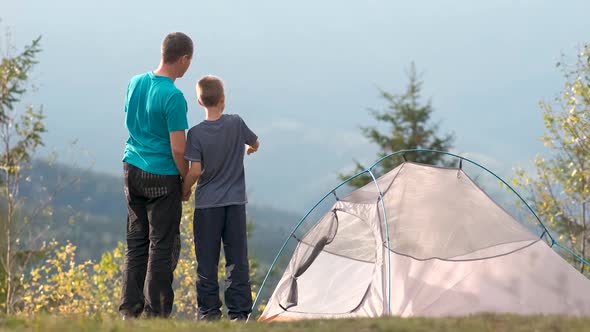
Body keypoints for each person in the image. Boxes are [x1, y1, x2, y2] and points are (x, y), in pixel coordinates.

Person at [119, 32, 193, 318]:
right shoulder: (173, 96)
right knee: (161, 245)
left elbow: (130, 118)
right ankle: (157, 313)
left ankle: (129, 311)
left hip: (131, 169)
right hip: (161, 176)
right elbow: (178, 148)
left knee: (136, 242)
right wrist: (185, 181)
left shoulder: (135, 82)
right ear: (184, 58)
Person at [182, 75, 260, 321]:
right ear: (223, 98)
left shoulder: (195, 134)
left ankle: (209, 314)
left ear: (199, 101)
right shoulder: (236, 123)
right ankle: (238, 314)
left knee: (207, 261)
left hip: (207, 206)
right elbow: (255, 142)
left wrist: (185, 190)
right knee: (237, 259)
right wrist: (249, 148)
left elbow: (195, 170)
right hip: (235, 204)